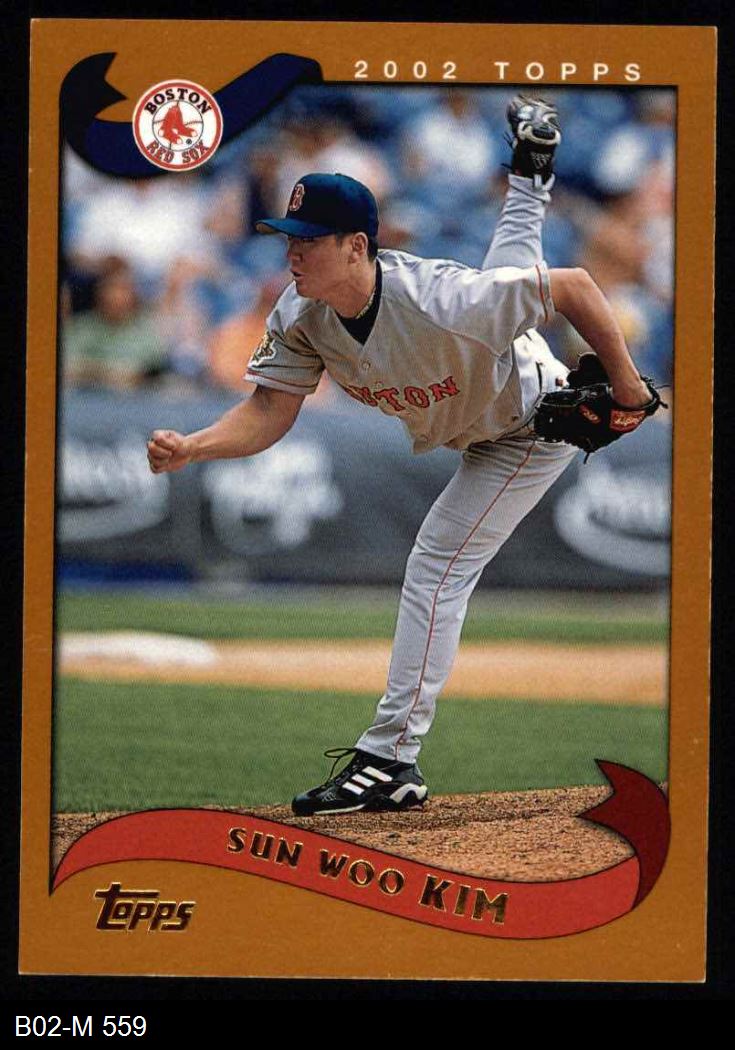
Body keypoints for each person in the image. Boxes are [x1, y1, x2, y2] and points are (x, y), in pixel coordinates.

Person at [147, 97, 655, 817]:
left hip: (528, 422)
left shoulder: (437, 299)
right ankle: (531, 173)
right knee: (508, 276)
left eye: (309, 240)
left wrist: (629, 389)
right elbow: (267, 411)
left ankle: (390, 759)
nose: (292, 251)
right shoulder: (300, 315)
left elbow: (573, 286)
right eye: (288, 236)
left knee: (436, 567)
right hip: (484, 378)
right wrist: (194, 446)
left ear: (356, 245)